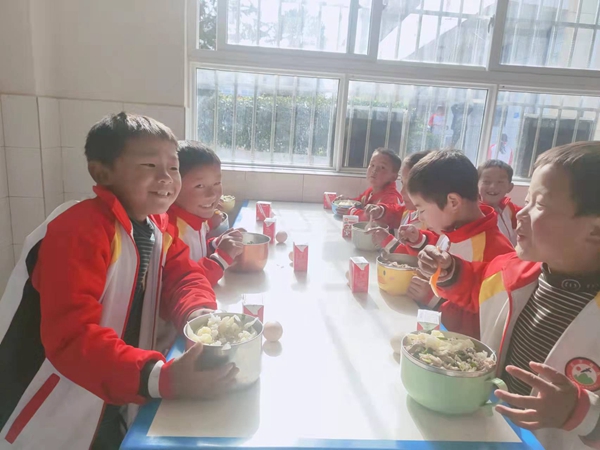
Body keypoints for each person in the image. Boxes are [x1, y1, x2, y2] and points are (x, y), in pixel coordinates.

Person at [0, 113, 238, 450]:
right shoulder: (79, 230)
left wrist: (199, 316)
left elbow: (183, 276)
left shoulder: (157, 227)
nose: (166, 178)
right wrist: (159, 377)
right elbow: (72, 337)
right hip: (52, 404)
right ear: (102, 172)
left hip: (115, 390)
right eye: (149, 165)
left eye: (172, 168)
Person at [417, 141, 600, 450]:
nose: (521, 214)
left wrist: (584, 413)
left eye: (540, 205)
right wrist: (449, 270)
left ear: (595, 230)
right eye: (526, 201)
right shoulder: (514, 272)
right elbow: (477, 284)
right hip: (492, 431)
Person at [370, 151, 514, 338]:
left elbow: (486, 326)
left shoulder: (497, 253)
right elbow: (445, 246)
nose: (419, 217)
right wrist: (419, 242)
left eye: (421, 209)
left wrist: (434, 300)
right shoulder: (454, 229)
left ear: (453, 202)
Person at [167, 141, 243, 286]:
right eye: (200, 186)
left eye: (217, 183)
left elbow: (195, 255)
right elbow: (186, 284)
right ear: (174, 186)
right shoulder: (170, 231)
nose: (212, 194)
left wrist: (216, 244)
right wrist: (221, 257)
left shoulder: (196, 218)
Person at [335, 148, 403, 220]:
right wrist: (346, 201)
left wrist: (351, 212)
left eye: (382, 167)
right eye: (372, 165)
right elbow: (358, 203)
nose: (374, 170)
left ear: (393, 177)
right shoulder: (370, 191)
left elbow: (373, 219)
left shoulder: (392, 198)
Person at [478, 159, 521, 246]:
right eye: (486, 182)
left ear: (510, 187)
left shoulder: (508, 208)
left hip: (512, 252)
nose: (493, 186)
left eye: (500, 182)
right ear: (476, 185)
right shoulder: (475, 214)